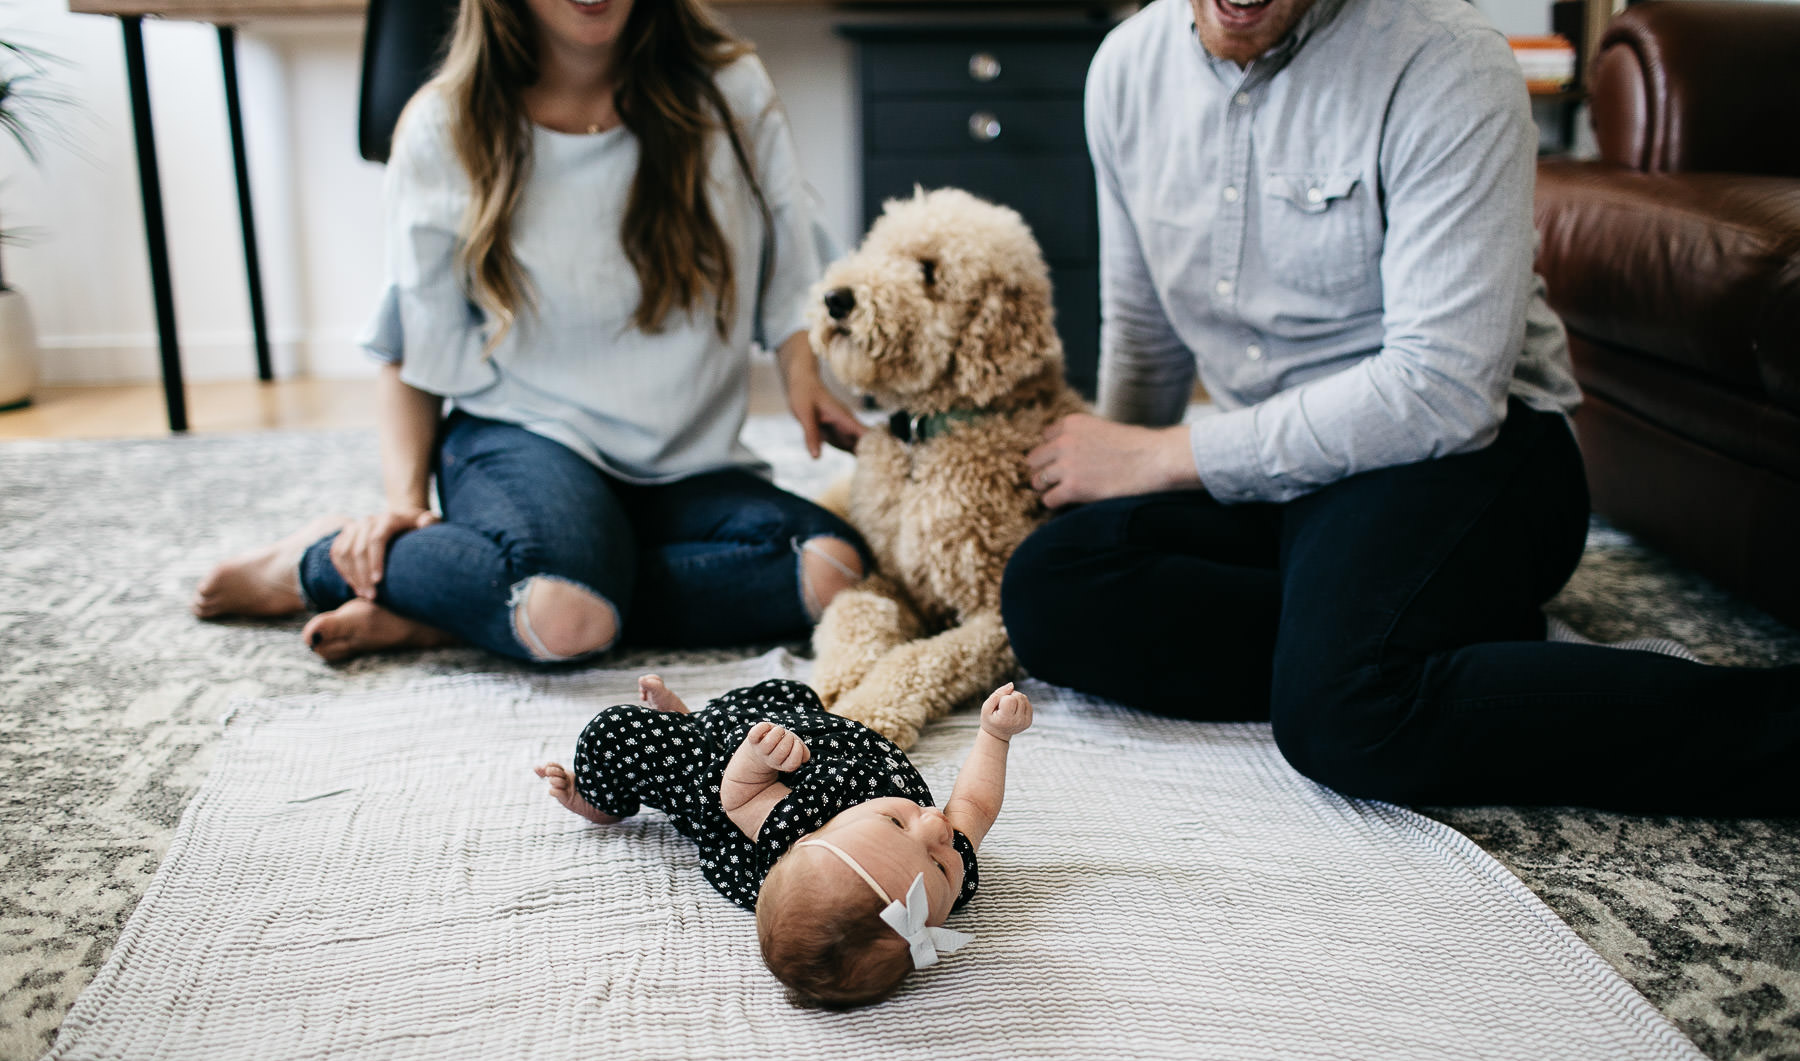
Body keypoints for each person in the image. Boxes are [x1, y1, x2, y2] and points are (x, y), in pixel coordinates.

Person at [1000, 0, 1800, 812]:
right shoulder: (1124, 71)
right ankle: (1449, 639)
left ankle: (1777, 724)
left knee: (1347, 715)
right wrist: (1111, 474)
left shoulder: (1447, 58)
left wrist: (1163, 457)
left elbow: (1445, 389)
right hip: (1282, 473)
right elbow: (1145, 328)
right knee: (1049, 587)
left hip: (1465, 453)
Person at [192, 0, 868, 663]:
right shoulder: (443, 124)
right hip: (523, 436)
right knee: (569, 616)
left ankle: (482, 605)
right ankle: (321, 559)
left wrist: (803, 376)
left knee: (831, 573)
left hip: (685, 464)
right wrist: (404, 508)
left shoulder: (731, 90)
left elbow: (789, 250)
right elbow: (412, 343)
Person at [536, 675, 1032, 1007]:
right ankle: (700, 721)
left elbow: (739, 799)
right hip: (817, 747)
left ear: (818, 831)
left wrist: (756, 760)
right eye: (940, 861)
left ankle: (602, 799)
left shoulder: (789, 824)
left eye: (906, 829)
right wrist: (995, 736)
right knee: (791, 693)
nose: (937, 828)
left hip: (738, 792)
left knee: (617, 732)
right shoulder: (954, 873)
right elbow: (975, 807)